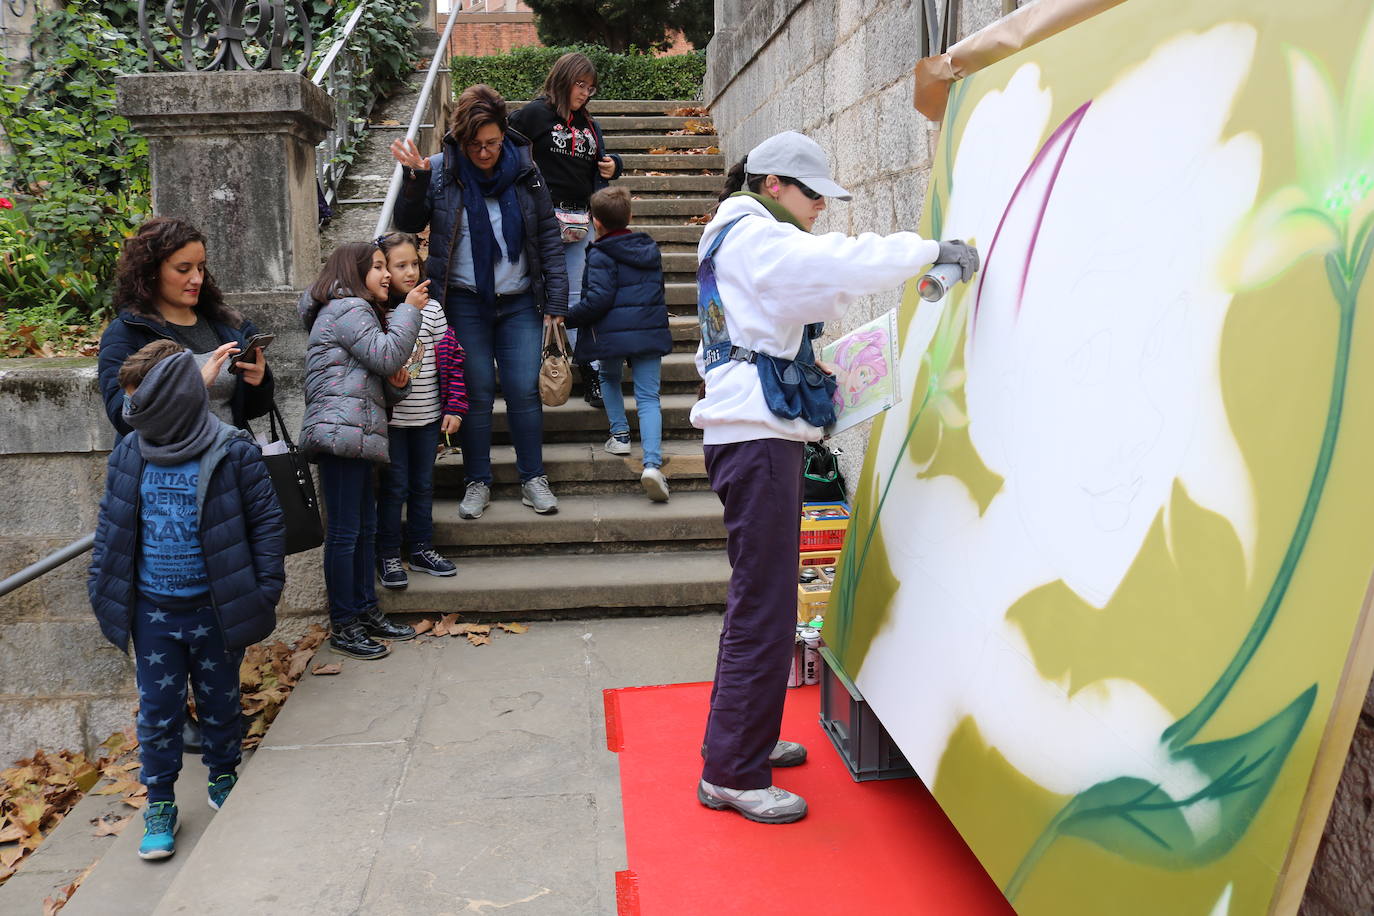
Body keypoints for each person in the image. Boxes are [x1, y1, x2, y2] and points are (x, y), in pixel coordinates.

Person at [692, 131, 978, 823]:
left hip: (750, 436)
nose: (821, 206)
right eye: (812, 193)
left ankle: (741, 742)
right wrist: (928, 252)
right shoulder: (756, 237)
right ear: (772, 185)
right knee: (764, 606)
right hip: (757, 440)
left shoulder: (734, 234)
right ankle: (732, 771)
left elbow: (808, 297)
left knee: (760, 601)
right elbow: (837, 263)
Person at [87, 341, 286, 860]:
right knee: (158, 713)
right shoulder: (130, 451)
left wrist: (264, 591)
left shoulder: (232, 450)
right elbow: (111, 525)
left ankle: (223, 773)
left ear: (174, 397)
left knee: (221, 701)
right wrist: (101, 586)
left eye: (142, 401)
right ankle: (160, 801)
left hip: (214, 609)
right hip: (153, 612)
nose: (131, 412)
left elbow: (267, 524)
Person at [389, 84, 568, 519]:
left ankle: (533, 478)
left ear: (504, 134)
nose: (485, 153)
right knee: (476, 391)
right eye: (475, 145)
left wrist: (557, 301)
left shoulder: (526, 170)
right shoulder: (439, 170)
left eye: (492, 143)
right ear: (460, 139)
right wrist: (415, 180)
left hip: (520, 300)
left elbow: (548, 235)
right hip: (464, 302)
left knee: (524, 390)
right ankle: (477, 480)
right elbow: (407, 222)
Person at [299, 242, 425, 659]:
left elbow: (371, 378)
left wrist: (396, 386)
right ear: (354, 273)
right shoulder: (348, 308)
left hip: (354, 433)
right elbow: (386, 356)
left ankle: (365, 611)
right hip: (341, 436)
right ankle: (345, 624)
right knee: (344, 533)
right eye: (377, 267)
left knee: (364, 529)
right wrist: (409, 310)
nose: (386, 275)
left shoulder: (352, 310)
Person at [508, 51, 624, 409]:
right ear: (563, 80)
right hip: (539, 221)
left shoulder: (589, 124)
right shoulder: (533, 115)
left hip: (579, 222)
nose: (585, 93)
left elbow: (601, 163)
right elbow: (502, 149)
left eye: (590, 88)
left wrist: (614, 165)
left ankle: (591, 374)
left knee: (578, 299)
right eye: (580, 84)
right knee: (531, 295)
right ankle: (533, 372)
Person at [99, 217, 274, 441]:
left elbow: (252, 410)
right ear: (152, 270)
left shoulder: (227, 324)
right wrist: (193, 386)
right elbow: (123, 419)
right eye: (183, 269)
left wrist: (259, 382)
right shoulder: (126, 333)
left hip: (230, 458)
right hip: (164, 463)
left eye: (200, 268)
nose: (197, 279)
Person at [374, 232, 467, 589]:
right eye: (400, 266)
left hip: (427, 418)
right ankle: (387, 553)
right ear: (383, 270)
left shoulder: (433, 309)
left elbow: (451, 359)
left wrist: (454, 405)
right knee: (394, 486)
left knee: (423, 485)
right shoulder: (378, 311)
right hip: (393, 421)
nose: (411, 272)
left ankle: (421, 547)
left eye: (415, 263)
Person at [566, 187, 672, 502]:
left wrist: (568, 318)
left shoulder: (600, 253)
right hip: (647, 331)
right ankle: (652, 464)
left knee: (608, 377)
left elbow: (598, 299)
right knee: (649, 397)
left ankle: (621, 435)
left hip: (611, 334)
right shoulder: (648, 248)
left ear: (595, 222)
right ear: (630, 216)